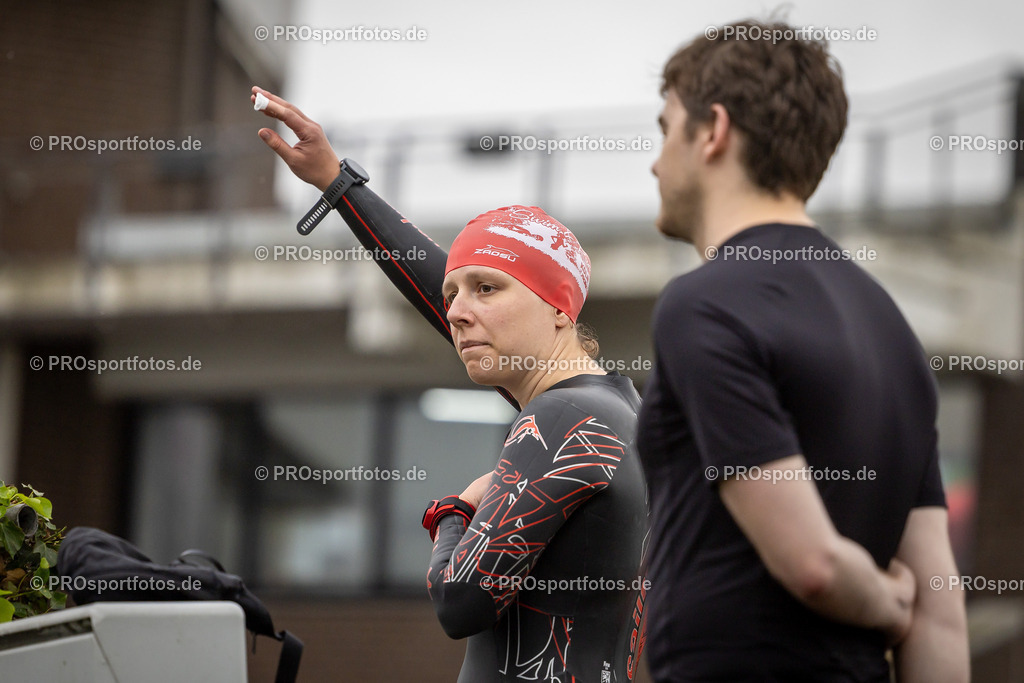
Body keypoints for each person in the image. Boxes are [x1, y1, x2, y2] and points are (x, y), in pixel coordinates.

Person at [252, 87, 650, 683]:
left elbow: (460, 601)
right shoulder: (617, 408)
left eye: (487, 289)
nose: (459, 312)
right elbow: (444, 282)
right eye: (453, 296)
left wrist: (456, 509)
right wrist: (337, 182)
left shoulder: (563, 416)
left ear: (559, 308)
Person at [638, 19, 970, 682]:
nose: (655, 159)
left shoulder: (703, 303)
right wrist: (903, 605)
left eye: (666, 126)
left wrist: (884, 601)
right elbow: (942, 612)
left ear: (713, 131)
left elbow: (813, 565)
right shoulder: (891, 329)